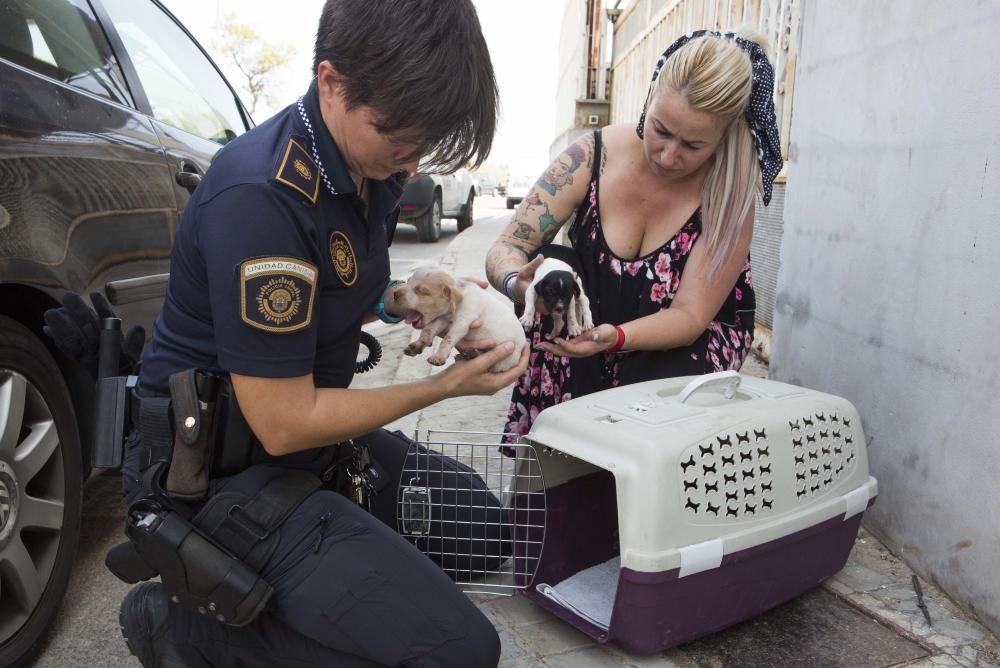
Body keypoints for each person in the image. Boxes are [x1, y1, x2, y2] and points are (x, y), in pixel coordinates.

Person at [93, 1, 524, 666]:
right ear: (331, 82)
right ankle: (187, 634)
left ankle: (334, 568)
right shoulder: (262, 198)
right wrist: (442, 385)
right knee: (461, 652)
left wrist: (426, 308)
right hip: (221, 472)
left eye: (422, 140)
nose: (409, 154)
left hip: (315, 444)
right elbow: (286, 424)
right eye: (395, 134)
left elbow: (350, 286)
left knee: (484, 532)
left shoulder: (366, 167)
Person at [486, 29, 782, 438]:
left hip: (679, 341)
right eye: (661, 129)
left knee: (655, 424)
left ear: (725, 135)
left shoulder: (729, 193)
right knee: (559, 271)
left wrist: (615, 337)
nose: (668, 155)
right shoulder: (591, 156)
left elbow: (690, 317)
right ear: (649, 97)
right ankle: (560, 477)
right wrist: (522, 287)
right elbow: (509, 246)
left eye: (694, 145)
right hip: (587, 328)